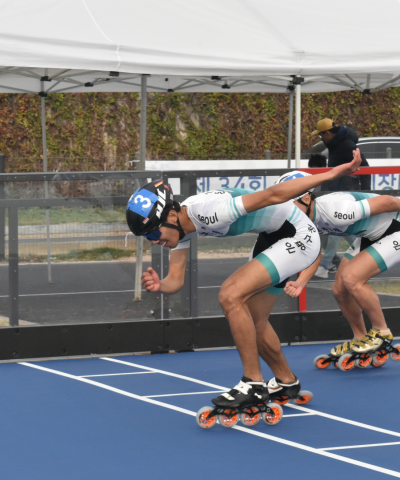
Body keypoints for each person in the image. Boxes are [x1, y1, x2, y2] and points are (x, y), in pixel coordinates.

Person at [124, 151, 362, 413]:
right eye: (148, 238)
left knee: (230, 294)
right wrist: (160, 285)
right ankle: (286, 381)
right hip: (272, 236)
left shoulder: (210, 212)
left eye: (153, 234)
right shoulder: (181, 227)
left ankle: (253, 384)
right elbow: (176, 280)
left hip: (298, 235)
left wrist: (331, 174)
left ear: (171, 216)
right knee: (252, 321)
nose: (154, 242)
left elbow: (273, 194)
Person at [274, 171, 400, 370]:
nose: (286, 211)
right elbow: (314, 253)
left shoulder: (335, 210)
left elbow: (388, 201)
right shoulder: (303, 220)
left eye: (289, 203)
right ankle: (360, 337)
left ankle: (382, 331)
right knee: (339, 289)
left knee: (351, 277)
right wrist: (301, 282)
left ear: (306, 198)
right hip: (372, 234)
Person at [312, 119, 370, 278]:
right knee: (342, 229)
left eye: (321, 136)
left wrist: (365, 192)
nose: (321, 139)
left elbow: (365, 167)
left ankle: (324, 266)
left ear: (327, 133)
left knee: (335, 227)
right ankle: (365, 254)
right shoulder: (335, 144)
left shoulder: (346, 145)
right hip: (337, 191)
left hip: (345, 192)